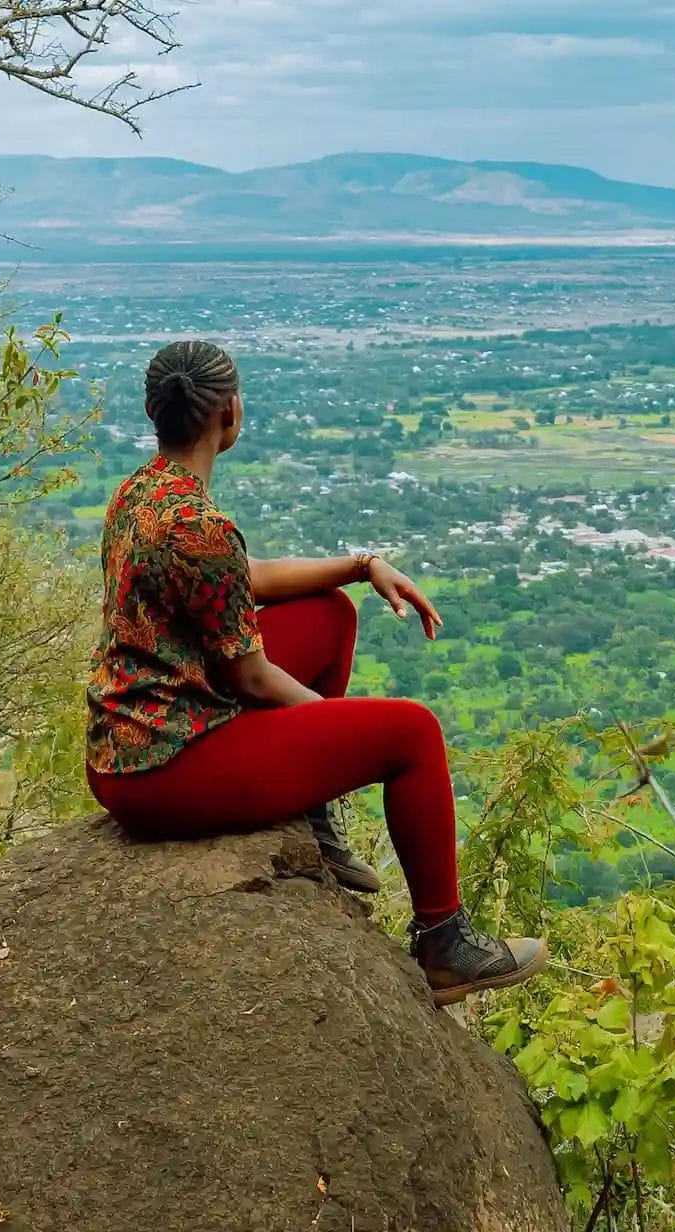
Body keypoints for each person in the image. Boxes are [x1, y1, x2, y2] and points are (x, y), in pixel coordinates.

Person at [84, 339, 547, 1005]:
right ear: (230, 412)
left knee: (329, 613)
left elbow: (243, 582)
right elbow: (252, 678)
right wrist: (337, 734)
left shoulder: (144, 493)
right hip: (165, 766)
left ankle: (310, 815)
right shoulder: (196, 524)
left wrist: (360, 567)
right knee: (411, 733)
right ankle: (443, 942)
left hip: (136, 741)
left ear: (158, 413)